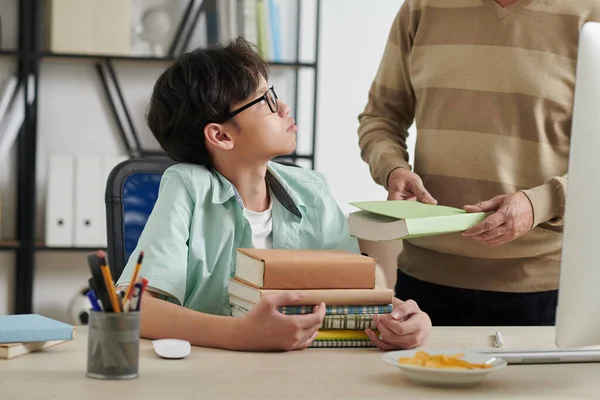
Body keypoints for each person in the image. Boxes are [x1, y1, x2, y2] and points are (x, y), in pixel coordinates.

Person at [116, 38, 431, 352]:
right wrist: (240, 334)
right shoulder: (187, 187)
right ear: (221, 135)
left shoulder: (312, 190)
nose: (283, 107)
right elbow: (134, 305)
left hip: (304, 370)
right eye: (264, 101)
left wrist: (404, 316)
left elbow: (357, 288)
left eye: (274, 94)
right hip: (211, 372)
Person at [357, 0, 600, 326]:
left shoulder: (590, 13)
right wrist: (392, 168)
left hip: (545, 291)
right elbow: (380, 117)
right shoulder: (422, 7)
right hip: (424, 288)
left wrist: (540, 203)